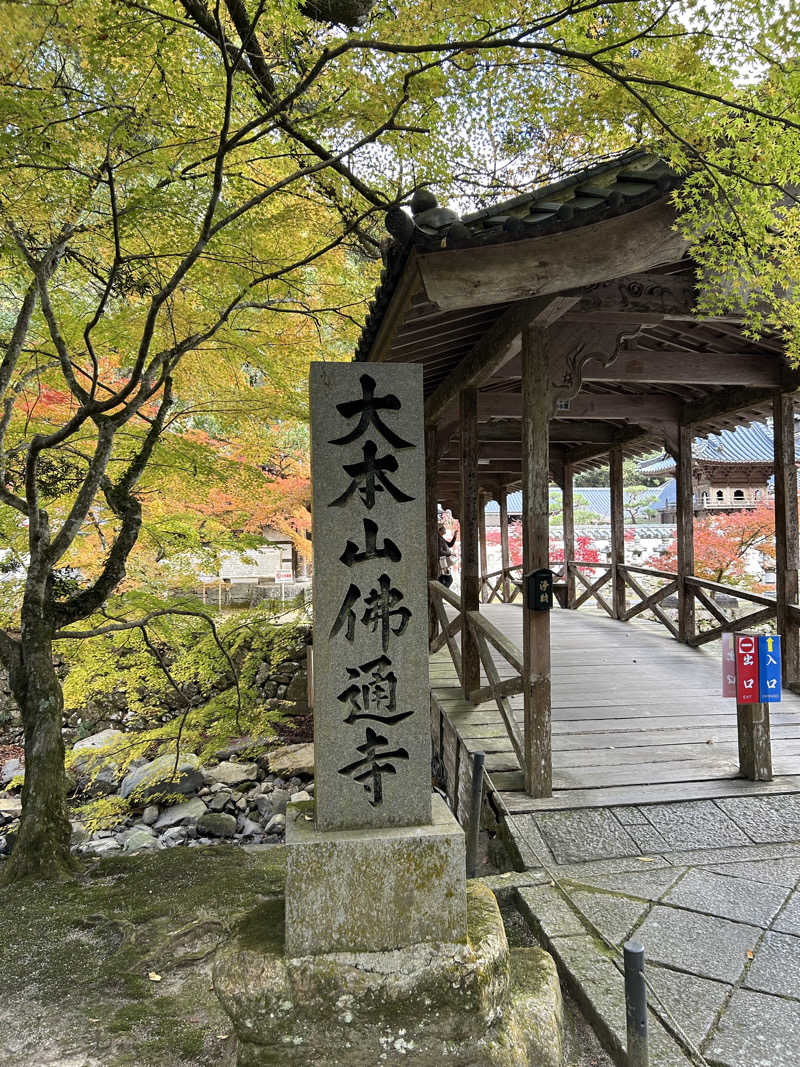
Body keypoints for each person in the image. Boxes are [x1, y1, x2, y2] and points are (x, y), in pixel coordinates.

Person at [437, 522, 457, 587]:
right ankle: (442, 594)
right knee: (449, 579)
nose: (445, 529)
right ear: (440, 530)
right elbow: (440, 552)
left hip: (443, 563)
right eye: (443, 528)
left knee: (443, 579)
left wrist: (455, 536)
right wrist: (450, 553)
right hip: (442, 563)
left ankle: (441, 594)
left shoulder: (441, 538)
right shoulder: (439, 539)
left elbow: (450, 544)